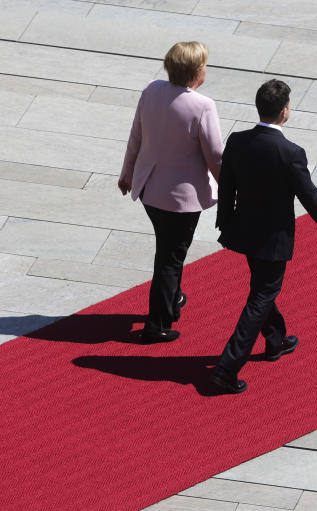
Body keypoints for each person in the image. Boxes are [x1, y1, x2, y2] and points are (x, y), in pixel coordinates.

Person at [209, 79, 317, 394]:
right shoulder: (290, 152)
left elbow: (227, 185)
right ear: (283, 112)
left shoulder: (238, 141)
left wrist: (224, 223)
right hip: (274, 238)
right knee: (262, 295)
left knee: (262, 286)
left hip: (245, 231)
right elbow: (307, 192)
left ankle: (275, 340)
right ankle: (227, 366)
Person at [118, 41, 223, 343]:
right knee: (170, 259)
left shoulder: (151, 91)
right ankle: (158, 323)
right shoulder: (203, 106)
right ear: (196, 72)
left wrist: (127, 173)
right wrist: (230, 189)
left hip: (149, 189)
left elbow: (136, 135)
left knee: (168, 251)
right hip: (181, 200)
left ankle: (173, 299)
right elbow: (215, 155)